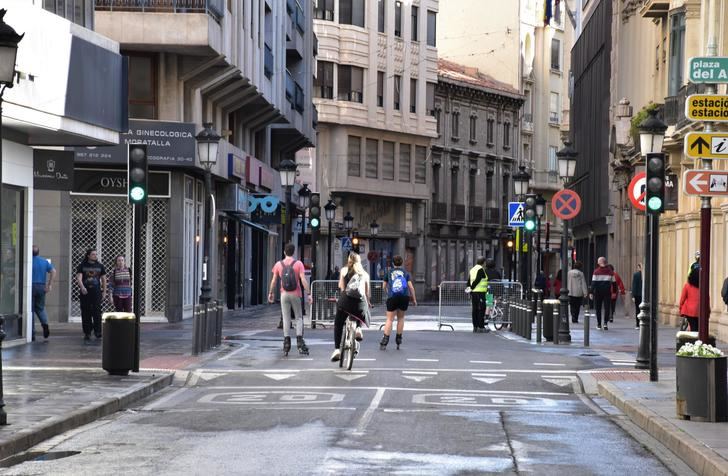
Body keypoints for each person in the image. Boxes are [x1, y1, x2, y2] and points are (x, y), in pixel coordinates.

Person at [268, 243, 312, 355]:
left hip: (284, 294)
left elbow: (274, 280)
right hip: (296, 294)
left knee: (286, 318)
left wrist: (271, 292)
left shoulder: (278, 264)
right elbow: (303, 280)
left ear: (284, 252)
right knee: (298, 317)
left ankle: (286, 343)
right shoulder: (298, 264)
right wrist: (309, 293)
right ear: (294, 252)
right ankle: (299, 342)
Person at [331, 253, 371, 361]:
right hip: (359, 303)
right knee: (362, 310)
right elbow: (367, 293)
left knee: (338, 323)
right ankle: (358, 328)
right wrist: (368, 302)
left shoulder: (344, 270)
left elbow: (342, 287)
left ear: (349, 260)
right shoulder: (365, 274)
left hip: (345, 302)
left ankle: (337, 350)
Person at [380, 255, 417, 350]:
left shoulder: (388, 272)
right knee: (401, 318)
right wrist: (414, 299)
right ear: (401, 263)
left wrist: (388, 292)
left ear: (392, 263)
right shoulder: (406, 273)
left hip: (392, 297)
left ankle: (385, 340)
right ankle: (398, 338)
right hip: (404, 297)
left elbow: (384, 286)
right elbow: (411, 287)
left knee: (389, 319)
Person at [76, 248, 107, 341]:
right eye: (93, 254)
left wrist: (104, 291)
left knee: (97, 312)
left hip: (96, 292)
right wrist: (82, 287)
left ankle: (98, 331)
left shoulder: (100, 266)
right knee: (86, 312)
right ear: (88, 255)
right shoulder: (82, 266)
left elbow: (104, 279)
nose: (95, 256)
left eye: (96, 254)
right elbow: (79, 278)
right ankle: (87, 332)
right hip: (85, 292)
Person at [31, 246, 56, 340]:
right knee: (40, 308)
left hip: (30, 287)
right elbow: (53, 271)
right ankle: (45, 325)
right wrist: (49, 285)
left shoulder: (28, 261)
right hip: (41, 286)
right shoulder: (44, 261)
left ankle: (31, 333)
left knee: (30, 310)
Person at [589, 257, 615, 330]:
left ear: (600, 262)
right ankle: (605, 324)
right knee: (607, 308)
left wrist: (591, 292)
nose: (597, 263)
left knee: (598, 308)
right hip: (607, 292)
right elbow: (614, 283)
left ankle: (599, 324)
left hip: (598, 292)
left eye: (598, 261)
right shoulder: (610, 272)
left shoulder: (596, 271)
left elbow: (593, 283)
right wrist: (614, 292)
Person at [467, 257, 489, 333]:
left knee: (475, 309)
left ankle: (475, 326)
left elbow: (469, 281)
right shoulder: (481, 270)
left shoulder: (472, 269)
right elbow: (477, 280)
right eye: (485, 262)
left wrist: (470, 289)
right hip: (480, 293)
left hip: (474, 293)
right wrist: (472, 287)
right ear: (483, 262)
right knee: (482, 309)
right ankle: (481, 327)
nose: (485, 264)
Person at [631, 263, 643, 329]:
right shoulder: (646, 275)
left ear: (639, 268)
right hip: (644, 296)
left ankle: (638, 324)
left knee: (638, 310)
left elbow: (634, 286)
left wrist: (633, 296)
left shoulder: (636, 275)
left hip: (637, 295)